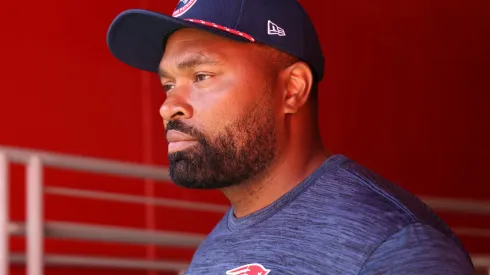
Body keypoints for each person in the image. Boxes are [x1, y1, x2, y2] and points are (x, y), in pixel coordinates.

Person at [106, 0, 475, 274]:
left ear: (293, 89)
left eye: (201, 76)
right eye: (168, 83)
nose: (169, 106)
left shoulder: (394, 247)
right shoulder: (213, 252)